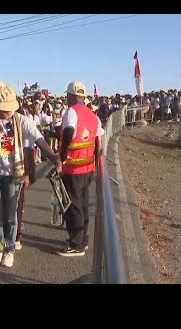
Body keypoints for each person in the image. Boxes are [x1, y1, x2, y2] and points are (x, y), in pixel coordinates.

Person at [0, 81, 62, 268]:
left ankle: (10, 249)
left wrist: (55, 159)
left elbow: (39, 140)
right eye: (3, 109)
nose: (6, 113)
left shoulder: (22, 120)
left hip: (15, 175)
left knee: (11, 215)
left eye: (8, 109)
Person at [57, 82, 104, 257]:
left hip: (73, 166)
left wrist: (60, 158)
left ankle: (76, 244)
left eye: (67, 96)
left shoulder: (71, 111)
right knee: (83, 204)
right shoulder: (93, 115)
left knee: (73, 205)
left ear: (70, 96)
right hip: (88, 167)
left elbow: (69, 132)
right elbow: (99, 139)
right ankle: (82, 239)